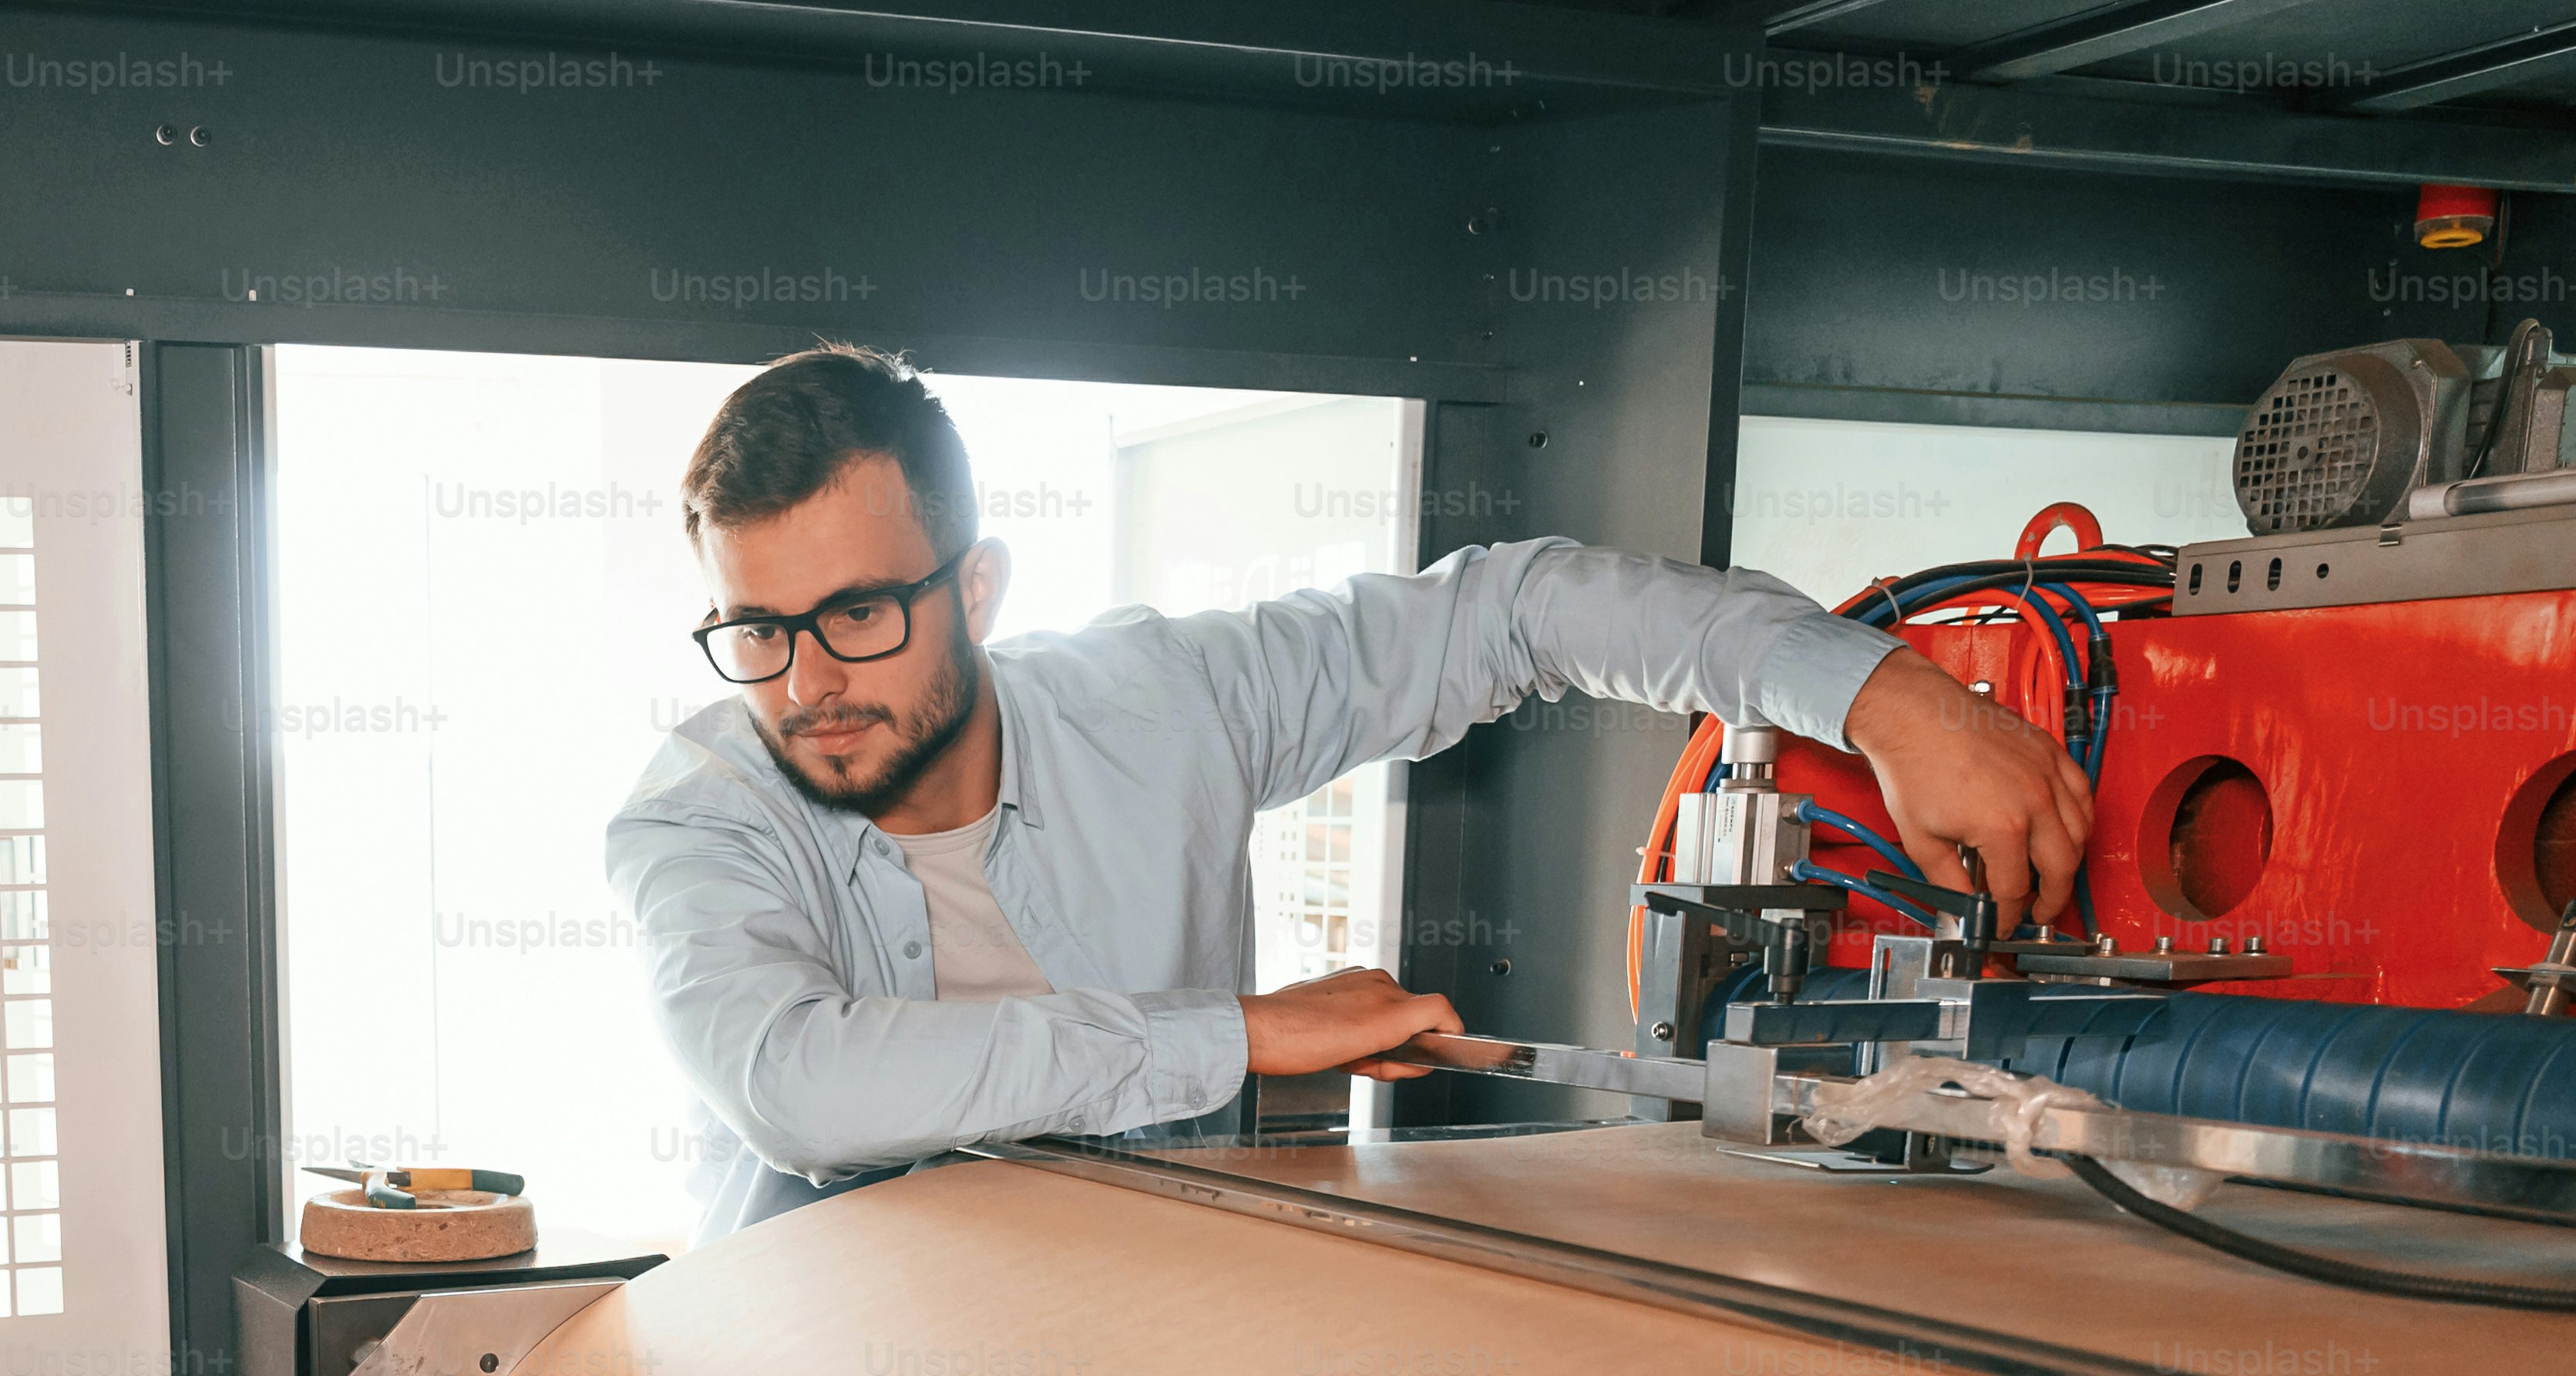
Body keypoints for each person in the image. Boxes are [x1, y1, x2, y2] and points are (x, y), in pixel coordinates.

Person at [608, 344, 2090, 1237]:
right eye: (754, 628)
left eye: (858, 616)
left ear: (976, 587)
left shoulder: (1160, 700)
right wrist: (1237, 1037)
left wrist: (1877, 692)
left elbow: (1516, 611)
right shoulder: (695, 812)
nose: (806, 683)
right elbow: (794, 1084)